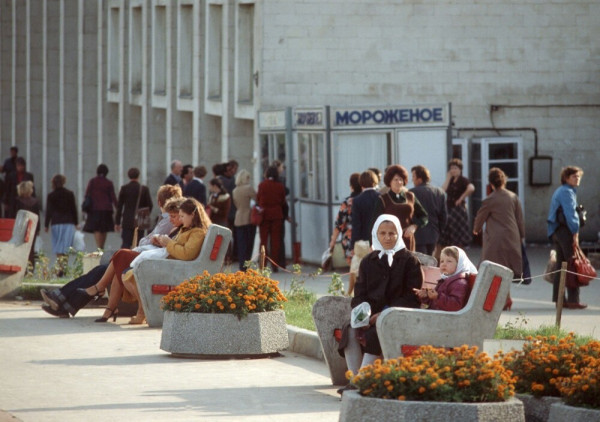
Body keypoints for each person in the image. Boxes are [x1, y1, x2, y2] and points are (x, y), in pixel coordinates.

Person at [40, 185, 183, 318]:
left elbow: (149, 241)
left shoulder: (167, 220)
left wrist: (149, 240)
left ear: (159, 202)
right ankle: (65, 303)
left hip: (147, 258)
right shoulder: (168, 220)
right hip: (146, 256)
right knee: (100, 271)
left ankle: (62, 298)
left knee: (101, 271)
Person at [76, 197, 211, 324]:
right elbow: (178, 249)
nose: (179, 219)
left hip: (167, 265)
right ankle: (110, 307)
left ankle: (105, 294)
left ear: (192, 215)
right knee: (119, 265)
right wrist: (164, 242)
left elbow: (186, 254)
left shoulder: (197, 232)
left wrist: (168, 243)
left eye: (182, 216)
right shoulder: (187, 229)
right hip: (164, 260)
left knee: (121, 255)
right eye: (178, 216)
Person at [338, 214, 423, 394]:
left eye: (392, 233)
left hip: (397, 315)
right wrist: (363, 314)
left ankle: (362, 381)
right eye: (382, 233)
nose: (387, 237)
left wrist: (384, 314)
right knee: (350, 329)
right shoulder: (369, 261)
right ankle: (354, 379)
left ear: (398, 234)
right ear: (375, 235)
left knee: (378, 330)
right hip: (370, 315)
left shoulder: (409, 261)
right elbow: (359, 293)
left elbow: (411, 297)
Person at [473, 167, 525, 311]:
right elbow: (520, 219)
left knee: (494, 270)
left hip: (495, 239)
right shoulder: (513, 197)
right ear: (504, 181)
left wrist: (476, 229)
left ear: (491, 184)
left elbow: (480, 217)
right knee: (507, 269)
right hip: (512, 237)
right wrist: (521, 236)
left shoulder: (489, 199)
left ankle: (502, 299)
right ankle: (505, 298)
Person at [546, 166, 587, 309]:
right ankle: (573, 300)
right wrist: (575, 233)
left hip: (557, 230)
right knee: (572, 265)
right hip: (565, 231)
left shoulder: (563, 190)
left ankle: (560, 300)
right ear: (566, 178)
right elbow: (571, 215)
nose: (577, 179)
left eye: (579, 176)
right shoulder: (567, 192)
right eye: (574, 176)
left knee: (562, 265)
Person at [371, 165, 428, 252]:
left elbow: (424, 216)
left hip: (407, 239)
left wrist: (414, 226)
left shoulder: (410, 196)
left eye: (401, 179)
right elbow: (374, 222)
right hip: (389, 240)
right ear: (390, 181)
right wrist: (372, 243)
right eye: (396, 179)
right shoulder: (383, 199)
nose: (399, 182)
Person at [415, 246, 477, 311]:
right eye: (442, 261)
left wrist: (437, 297)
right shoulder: (445, 279)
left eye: (449, 261)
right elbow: (435, 303)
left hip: (447, 316)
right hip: (437, 313)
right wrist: (427, 296)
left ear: (459, 264)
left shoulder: (459, 283)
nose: (444, 264)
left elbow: (455, 305)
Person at [329, 173, 361, 295]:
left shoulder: (347, 202)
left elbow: (339, 224)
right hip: (366, 238)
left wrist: (332, 242)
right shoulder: (366, 200)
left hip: (350, 238)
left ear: (351, 185)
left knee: (353, 267)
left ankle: (353, 292)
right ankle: (353, 291)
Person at [349, 170, 381, 286]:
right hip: (379, 239)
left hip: (363, 240)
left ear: (361, 183)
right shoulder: (381, 197)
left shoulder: (357, 200)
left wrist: (353, 244)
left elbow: (356, 225)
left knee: (362, 270)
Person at [410, 165, 447, 256]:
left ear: (419, 179)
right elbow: (444, 216)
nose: (412, 180)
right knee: (430, 260)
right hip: (434, 233)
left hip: (417, 233)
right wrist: (439, 231)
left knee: (420, 260)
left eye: (413, 176)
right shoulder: (439, 192)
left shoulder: (412, 193)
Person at [439, 158, 474, 249]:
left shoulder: (463, 180)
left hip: (458, 210)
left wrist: (461, 198)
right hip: (449, 209)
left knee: (458, 234)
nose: (453, 170)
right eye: (451, 168)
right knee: (447, 233)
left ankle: (459, 252)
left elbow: (471, 188)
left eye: (455, 168)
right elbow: (442, 191)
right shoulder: (450, 180)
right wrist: (448, 178)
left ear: (460, 169)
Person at [257, 166, 286, 272]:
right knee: (275, 241)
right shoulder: (280, 186)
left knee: (263, 240)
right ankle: (274, 265)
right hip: (277, 214)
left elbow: (258, 199)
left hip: (264, 215)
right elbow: (282, 200)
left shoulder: (262, 185)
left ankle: (263, 264)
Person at [114, 167, 153, 249]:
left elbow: (119, 206)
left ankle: (124, 257)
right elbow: (150, 205)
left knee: (126, 243)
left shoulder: (124, 188)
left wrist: (117, 222)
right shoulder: (144, 189)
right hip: (140, 221)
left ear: (128, 176)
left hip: (127, 220)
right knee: (138, 243)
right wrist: (144, 216)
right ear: (138, 176)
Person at [82, 164, 118, 249]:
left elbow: (87, 194)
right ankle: (102, 246)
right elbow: (113, 197)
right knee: (104, 229)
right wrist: (118, 208)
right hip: (106, 209)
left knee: (97, 229)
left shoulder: (92, 181)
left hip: (94, 209)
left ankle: (99, 246)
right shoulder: (109, 183)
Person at [44, 174, 78, 261]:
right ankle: (65, 264)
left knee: (58, 245)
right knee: (66, 245)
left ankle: (60, 264)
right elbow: (73, 209)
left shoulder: (51, 195)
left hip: (56, 222)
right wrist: (76, 223)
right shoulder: (69, 194)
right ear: (63, 182)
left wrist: (46, 225)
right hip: (68, 222)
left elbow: (49, 211)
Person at [232, 169, 257, 271]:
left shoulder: (235, 190)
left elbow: (236, 204)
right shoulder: (249, 188)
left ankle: (242, 265)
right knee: (249, 243)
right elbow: (257, 199)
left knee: (241, 244)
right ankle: (247, 265)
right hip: (248, 217)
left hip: (238, 217)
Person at [15, 180, 41, 265]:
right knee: (31, 248)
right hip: (32, 227)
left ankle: (21, 264)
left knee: (19, 247)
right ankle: (30, 267)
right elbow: (37, 216)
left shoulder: (17, 201)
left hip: (20, 227)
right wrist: (38, 229)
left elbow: (13, 215)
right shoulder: (35, 202)